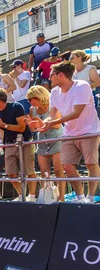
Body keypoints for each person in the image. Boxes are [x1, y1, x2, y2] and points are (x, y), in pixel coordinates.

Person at [33, 61, 100, 203]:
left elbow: (76, 113)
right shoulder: (55, 92)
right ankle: (80, 197)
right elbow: (51, 116)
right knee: (67, 166)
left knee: (91, 164)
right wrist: (44, 123)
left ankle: (91, 197)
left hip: (89, 131)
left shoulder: (82, 86)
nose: (49, 78)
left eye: (51, 75)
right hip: (70, 133)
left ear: (60, 75)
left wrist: (51, 123)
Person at [0, 88, 37, 201]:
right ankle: (22, 195)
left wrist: (3, 125)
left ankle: (33, 196)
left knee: (29, 171)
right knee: (11, 173)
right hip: (8, 143)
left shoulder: (16, 106)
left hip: (24, 141)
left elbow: (22, 127)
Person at [26, 85, 65, 201]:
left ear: (38, 97)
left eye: (30, 99)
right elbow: (34, 130)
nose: (29, 102)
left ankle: (61, 198)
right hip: (42, 141)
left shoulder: (53, 106)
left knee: (58, 171)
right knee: (44, 173)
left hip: (56, 139)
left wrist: (43, 123)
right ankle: (47, 198)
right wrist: (30, 124)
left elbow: (58, 125)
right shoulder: (33, 110)